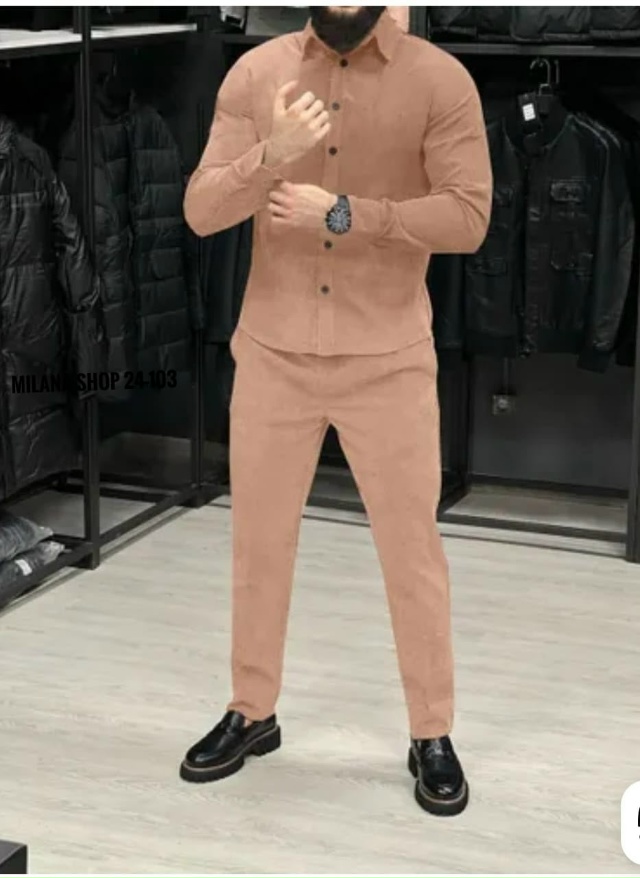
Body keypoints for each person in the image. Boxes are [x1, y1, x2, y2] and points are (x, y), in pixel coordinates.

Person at [181, 6, 492, 817]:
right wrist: (271, 155)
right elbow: (202, 209)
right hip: (273, 353)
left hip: (388, 358)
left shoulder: (440, 80)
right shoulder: (255, 74)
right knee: (258, 544)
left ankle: (431, 731)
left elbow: (468, 216)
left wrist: (348, 214)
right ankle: (252, 710)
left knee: (411, 553)